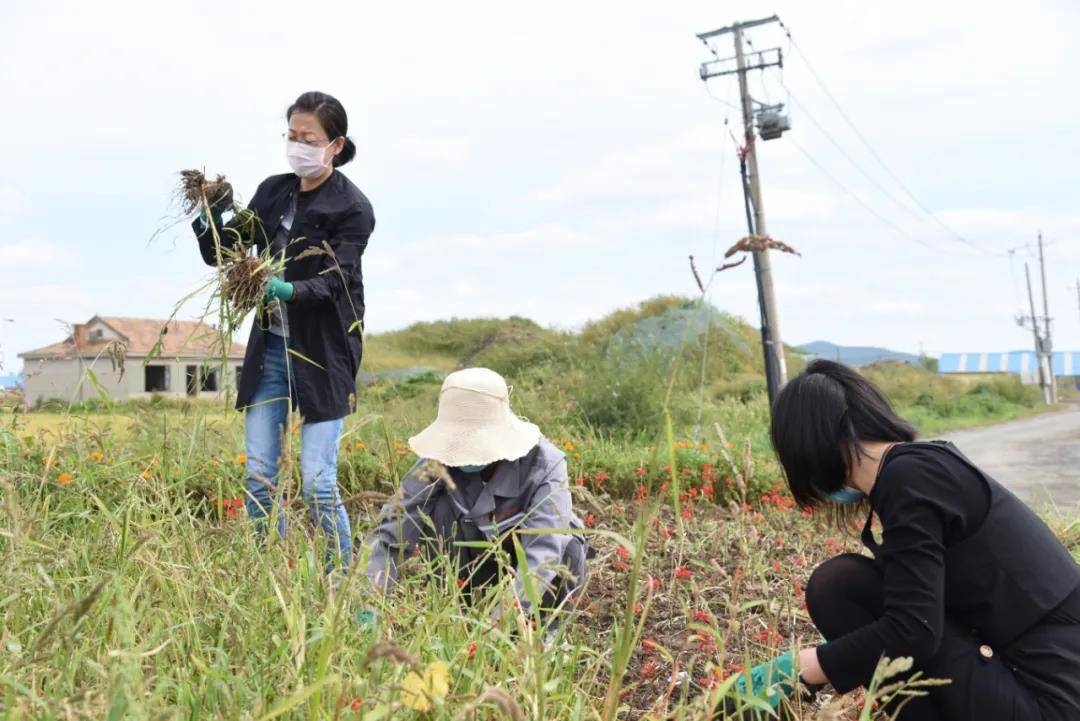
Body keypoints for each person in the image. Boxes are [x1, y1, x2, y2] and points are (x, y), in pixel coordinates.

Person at [730, 360, 1080, 720]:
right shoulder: (919, 469)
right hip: (1039, 676)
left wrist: (806, 666)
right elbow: (917, 600)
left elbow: (914, 631)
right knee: (849, 585)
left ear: (809, 450)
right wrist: (850, 649)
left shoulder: (909, 479)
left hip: (1048, 701)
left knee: (837, 586)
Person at [193, 91, 375, 571]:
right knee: (259, 476)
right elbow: (227, 249)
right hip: (271, 348)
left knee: (318, 482)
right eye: (291, 137)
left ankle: (341, 578)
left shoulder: (353, 208)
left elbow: (338, 280)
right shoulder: (274, 190)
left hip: (323, 352)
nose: (297, 146)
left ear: (335, 145)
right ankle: (267, 569)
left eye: (308, 139)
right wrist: (210, 216)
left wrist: (287, 290)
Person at [363, 368, 589, 628]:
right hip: (471, 565)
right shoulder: (436, 462)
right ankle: (457, 613)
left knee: (567, 546)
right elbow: (392, 529)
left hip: (531, 575)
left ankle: (542, 633)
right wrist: (369, 603)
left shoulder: (544, 464)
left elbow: (544, 552)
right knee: (439, 511)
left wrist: (499, 624)